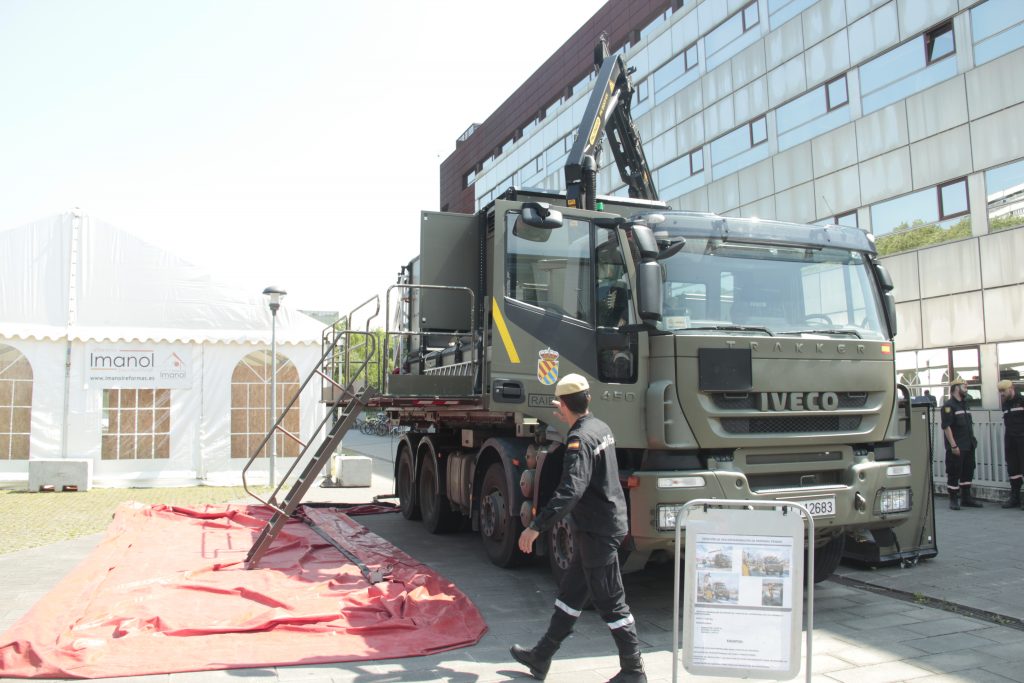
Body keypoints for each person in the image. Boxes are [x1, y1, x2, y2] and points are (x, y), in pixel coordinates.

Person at [510, 373, 645, 683]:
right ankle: (541, 657)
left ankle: (634, 671)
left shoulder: (579, 439)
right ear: (588, 399)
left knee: (611, 601)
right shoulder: (601, 428)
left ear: (561, 407)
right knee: (571, 594)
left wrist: (535, 527)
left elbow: (571, 490)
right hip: (600, 525)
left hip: (598, 530)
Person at [941, 378, 982, 509]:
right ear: (956, 388)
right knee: (954, 471)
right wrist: (953, 445)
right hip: (957, 446)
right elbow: (946, 427)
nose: (966, 388)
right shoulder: (948, 406)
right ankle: (953, 499)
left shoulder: (965, 404)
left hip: (969, 444)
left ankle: (966, 498)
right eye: (964, 386)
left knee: (968, 470)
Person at [998, 379, 1024, 509]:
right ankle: (1015, 498)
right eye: (1000, 391)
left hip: (1022, 439)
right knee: (1013, 469)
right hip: (1010, 440)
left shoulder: (1022, 400)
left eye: (1003, 391)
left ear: (1011, 388)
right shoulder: (1005, 404)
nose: (1001, 394)